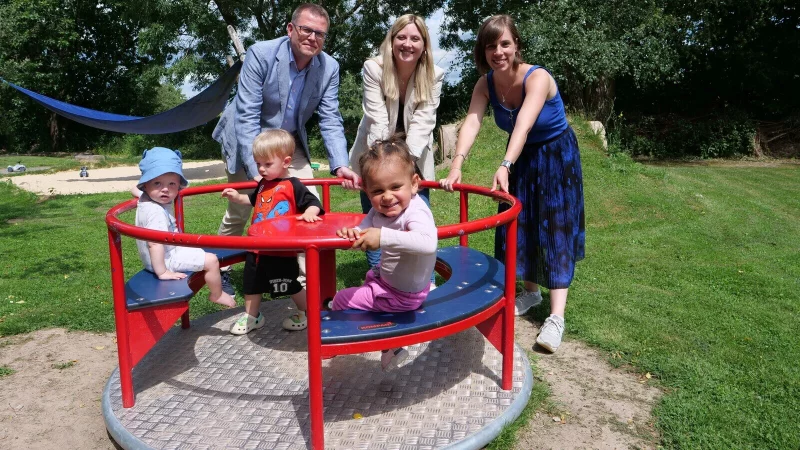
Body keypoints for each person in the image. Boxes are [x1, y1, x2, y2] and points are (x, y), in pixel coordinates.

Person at [439, 15, 585, 353]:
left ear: (516, 45)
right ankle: (530, 292)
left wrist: (505, 163)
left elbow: (522, 125)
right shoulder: (484, 84)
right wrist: (457, 163)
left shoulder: (538, 77)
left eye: (504, 43)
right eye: (491, 46)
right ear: (483, 51)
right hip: (520, 157)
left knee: (554, 228)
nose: (498, 51)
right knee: (518, 224)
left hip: (555, 156)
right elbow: (472, 123)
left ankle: (556, 317)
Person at [215, 3, 360, 295]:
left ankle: (307, 287)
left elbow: (330, 118)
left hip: (289, 143)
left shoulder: (328, 67)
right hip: (249, 139)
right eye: (306, 29)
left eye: (320, 33)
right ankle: (222, 268)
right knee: (241, 211)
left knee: (310, 209)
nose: (313, 37)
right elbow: (247, 115)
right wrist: (257, 169)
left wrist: (340, 164)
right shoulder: (262, 53)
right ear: (291, 29)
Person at [348, 14, 444, 288]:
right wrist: (384, 165)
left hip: (413, 162)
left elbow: (424, 121)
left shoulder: (434, 75)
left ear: (424, 45)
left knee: (419, 218)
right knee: (377, 216)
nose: (407, 44)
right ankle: (379, 281)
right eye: (401, 37)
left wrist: (405, 166)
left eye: (415, 38)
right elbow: (377, 118)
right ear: (391, 41)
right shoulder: (374, 69)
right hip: (376, 155)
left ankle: (427, 284)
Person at [334, 136, 437, 371]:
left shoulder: (416, 212)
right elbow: (366, 225)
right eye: (378, 190)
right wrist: (354, 233)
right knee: (362, 290)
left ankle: (343, 344)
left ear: (414, 183)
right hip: (387, 284)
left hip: (403, 296)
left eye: (395, 187)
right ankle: (390, 346)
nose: (387, 196)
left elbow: (428, 242)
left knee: (341, 300)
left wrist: (382, 237)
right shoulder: (378, 210)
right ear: (366, 191)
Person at [221, 129, 324, 335]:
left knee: (289, 284)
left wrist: (310, 213)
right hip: (256, 246)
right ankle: (253, 316)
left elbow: (313, 203)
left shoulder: (293, 185)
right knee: (251, 284)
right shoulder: (262, 184)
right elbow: (251, 201)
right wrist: (236, 197)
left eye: (267, 164)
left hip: (280, 249)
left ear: (285, 162)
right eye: (258, 163)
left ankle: (308, 311)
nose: (261, 169)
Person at [134, 147, 236, 309]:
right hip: (166, 260)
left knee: (198, 249)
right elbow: (155, 243)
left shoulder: (146, 198)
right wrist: (163, 272)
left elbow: (137, 191)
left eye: (172, 184)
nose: (165, 189)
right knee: (211, 260)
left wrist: (140, 189)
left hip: (158, 257)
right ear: (145, 185)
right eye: (157, 183)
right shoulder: (155, 213)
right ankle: (217, 294)